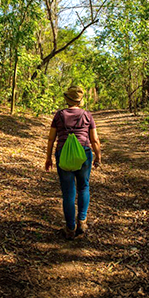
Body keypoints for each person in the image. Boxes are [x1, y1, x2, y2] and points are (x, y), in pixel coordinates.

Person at [45, 86, 102, 240]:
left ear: (67, 100)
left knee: (68, 192)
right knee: (83, 186)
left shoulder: (59, 115)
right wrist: (98, 156)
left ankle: (70, 228)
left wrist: (48, 157)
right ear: (80, 100)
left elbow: (51, 138)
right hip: (84, 154)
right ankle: (82, 222)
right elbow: (94, 139)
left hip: (63, 154)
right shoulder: (87, 115)